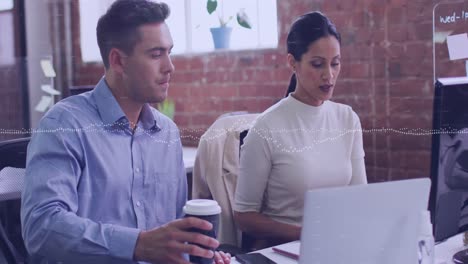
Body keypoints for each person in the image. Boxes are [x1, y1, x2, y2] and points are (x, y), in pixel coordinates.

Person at [21, 1, 230, 263]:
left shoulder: (166, 133)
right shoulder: (64, 126)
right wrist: (137, 244)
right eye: (156, 54)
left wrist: (197, 251)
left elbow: (172, 232)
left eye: (169, 52)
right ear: (118, 61)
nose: (170, 67)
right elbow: (41, 228)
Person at [233, 11, 368, 249]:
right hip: (286, 250)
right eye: (317, 64)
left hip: (339, 246)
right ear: (292, 63)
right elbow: (244, 216)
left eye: (335, 63)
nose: (329, 75)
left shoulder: (347, 119)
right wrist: (304, 234)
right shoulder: (266, 129)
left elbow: (359, 199)